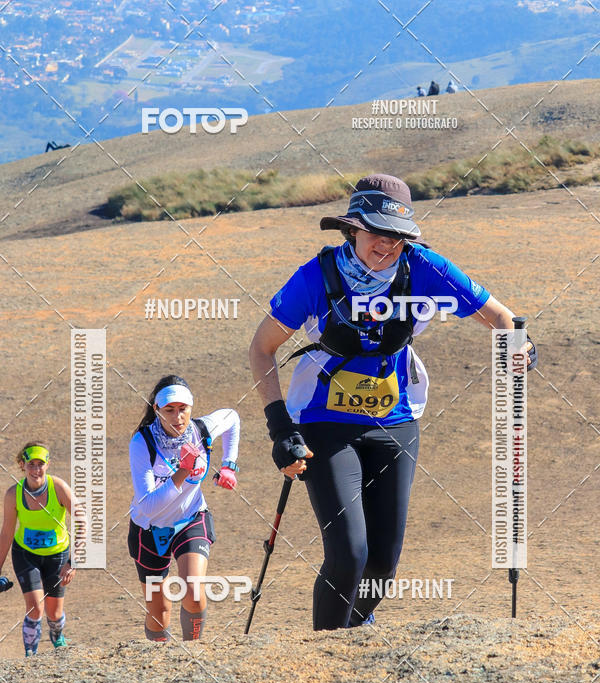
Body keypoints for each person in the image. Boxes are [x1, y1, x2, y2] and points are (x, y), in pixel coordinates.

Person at [249, 173, 537, 631]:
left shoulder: (425, 268)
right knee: (349, 552)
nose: (385, 247)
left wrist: (519, 346)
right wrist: (280, 427)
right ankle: (325, 654)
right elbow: (261, 348)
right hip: (325, 420)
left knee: (381, 567)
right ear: (352, 229)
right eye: (376, 234)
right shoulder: (316, 276)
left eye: (397, 238)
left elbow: (500, 317)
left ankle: (352, 634)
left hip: (395, 422)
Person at [128, 375, 240, 643]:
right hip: (149, 529)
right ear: (157, 410)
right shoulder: (142, 443)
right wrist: (182, 472)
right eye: (169, 410)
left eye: (183, 409)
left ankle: (193, 652)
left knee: (195, 591)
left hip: (191, 519)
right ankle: (161, 662)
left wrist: (229, 464)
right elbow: (149, 507)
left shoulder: (201, 430)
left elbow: (232, 417)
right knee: (159, 611)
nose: (178, 417)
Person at [0, 442, 76, 656]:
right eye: (30, 464)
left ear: (48, 464)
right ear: (22, 465)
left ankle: (57, 637)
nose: (36, 469)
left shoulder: (58, 487)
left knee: (54, 612)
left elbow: (84, 520)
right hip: (26, 554)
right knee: (35, 607)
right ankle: (30, 655)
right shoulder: (13, 494)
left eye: (40, 464)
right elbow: (6, 533)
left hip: (57, 555)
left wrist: (75, 561)